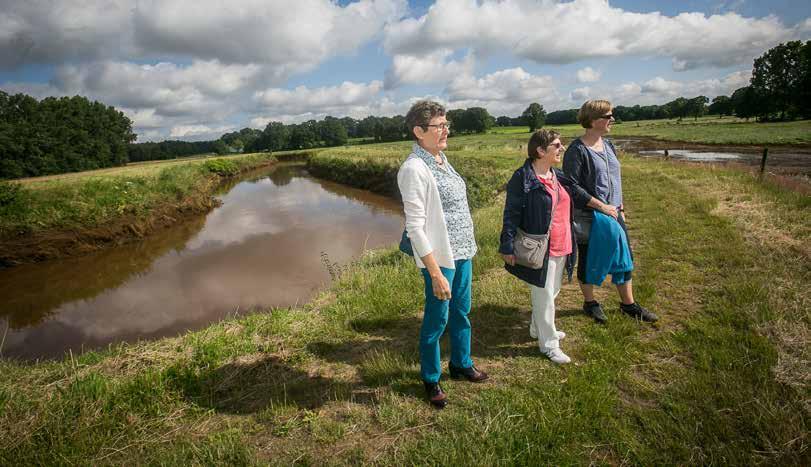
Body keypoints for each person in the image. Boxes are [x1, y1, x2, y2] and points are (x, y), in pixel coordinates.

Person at [397, 100, 488, 409]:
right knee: (437, 321)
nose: (446, 129)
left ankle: (461, 363)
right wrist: (435, 273)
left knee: (462, 312)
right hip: (442, 259)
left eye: (447, 124)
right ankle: (431, 378)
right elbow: (416, 228)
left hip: (464, 251)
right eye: (440, 126)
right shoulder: (413, 169)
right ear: (419, 131)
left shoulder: (440, 158)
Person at [499, 129, 616, 363]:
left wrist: (604, 207)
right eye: (557, 145)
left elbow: (579, 194)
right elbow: (511, 212)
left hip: (563, 242)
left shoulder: (558, 175)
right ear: (541, 151)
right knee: (544, 295)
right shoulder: (523, 177)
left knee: (551, 292)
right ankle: (549, 344)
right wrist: (507, 244)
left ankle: (538, 328)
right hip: (540, 247)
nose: (561, 148)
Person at [562, 100, 658, 324]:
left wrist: (620, 207)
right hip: (591, 216)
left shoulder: (609, 145)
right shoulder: (577, 150)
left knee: (624, 257)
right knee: (589, 259)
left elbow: (616, 179)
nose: (612, 120)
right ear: (594, 120)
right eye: (608, 116)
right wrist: (601, 206)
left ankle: (628, 305)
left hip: (615, 214)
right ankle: (590, 303)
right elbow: (572, 187)